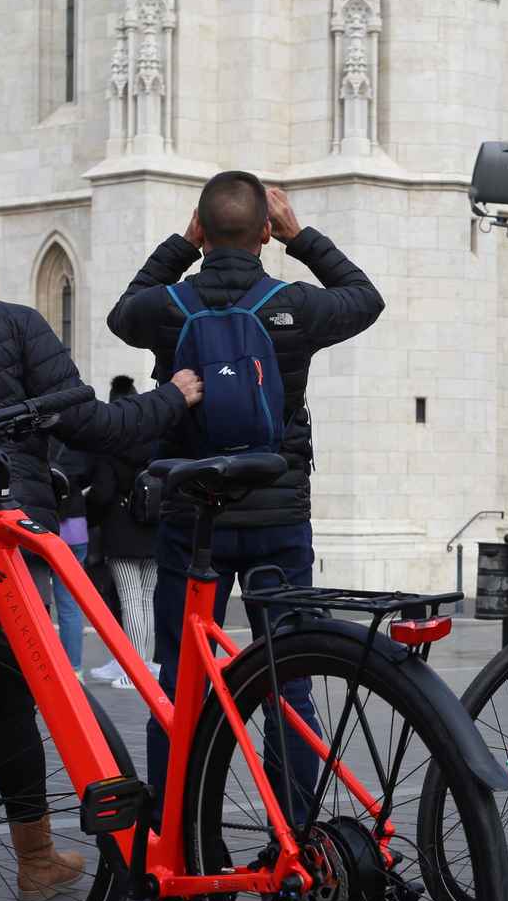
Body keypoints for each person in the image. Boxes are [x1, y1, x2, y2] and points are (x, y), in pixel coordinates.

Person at [0, 204, 202, 901]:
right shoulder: (16, 326)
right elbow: (92, 423)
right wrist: (170, 399)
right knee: (13, 707)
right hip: (2, 551)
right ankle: (35, 860)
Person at [107, 172, 384, 824]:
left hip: (193, 518)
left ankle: (178, 833)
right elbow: (365, 299)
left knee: (182, 681)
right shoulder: (295, 305)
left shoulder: (170, 306)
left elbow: (123, 313)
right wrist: (301, 236)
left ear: (202, 229)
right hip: (277, 518)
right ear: (265, 231)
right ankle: (294, 836)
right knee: (288, 681)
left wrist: (180, 245)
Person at [84, 375, 163, 687]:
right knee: (146, 598)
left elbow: (102, 492)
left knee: (129, 599)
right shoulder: (154, 442)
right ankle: (144, 663)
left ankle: (134, 671)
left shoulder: (111, 444)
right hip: (153, 527)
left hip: (120, 530)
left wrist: (91, 515)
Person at [48, 438, 90, 672]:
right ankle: (74, 670)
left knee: (36, 601)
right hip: (75, 527)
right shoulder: (76, 441)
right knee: (69, 605)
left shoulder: (32, 439)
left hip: (39, 526)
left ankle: (40, 667)